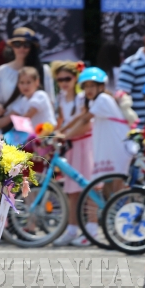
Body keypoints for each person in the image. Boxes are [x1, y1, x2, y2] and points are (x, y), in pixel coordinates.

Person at [52, 60, 94, 247]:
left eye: (67, 78)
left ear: (76, 78)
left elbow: (85, 123)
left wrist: (64, 134)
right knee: (72, 191)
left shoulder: (81, 97)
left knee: (89, 187)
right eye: (60, 79)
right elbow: (61, 121)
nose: (63, 83)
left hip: (85, 143)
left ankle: (92, 229)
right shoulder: (61, 97)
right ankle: (72, 229)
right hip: (71, 145)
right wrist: (52, 132)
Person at [66, 67, 132, 180]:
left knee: (115, 184)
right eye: (86, 86)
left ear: (101, 87)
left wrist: (65, 136)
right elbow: (80, 117)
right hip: (112, 148)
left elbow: (85, 119)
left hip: (118, 147)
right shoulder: (95, 101)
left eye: (92, 85)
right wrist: (60, 132)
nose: (88, 89)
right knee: (108, 184)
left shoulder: (103, 99)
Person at [0, 67, 55, 137]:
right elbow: (7, 119)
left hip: (48, 137)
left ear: (37, 82)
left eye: (28, 82)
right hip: (36, 139)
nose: (25, 86)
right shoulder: (23, 101)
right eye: (22, 83)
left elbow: (27, 116)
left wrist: (8, 135)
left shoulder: (41, 95)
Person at [0, 28, 54, 116]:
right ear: (12, 46)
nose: (21, 48)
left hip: (35, 125)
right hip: (8, 123)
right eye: (17, 44)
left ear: (32, 47)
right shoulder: (2, 70)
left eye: (26, 45)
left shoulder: (43, 70)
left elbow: (50, 101)